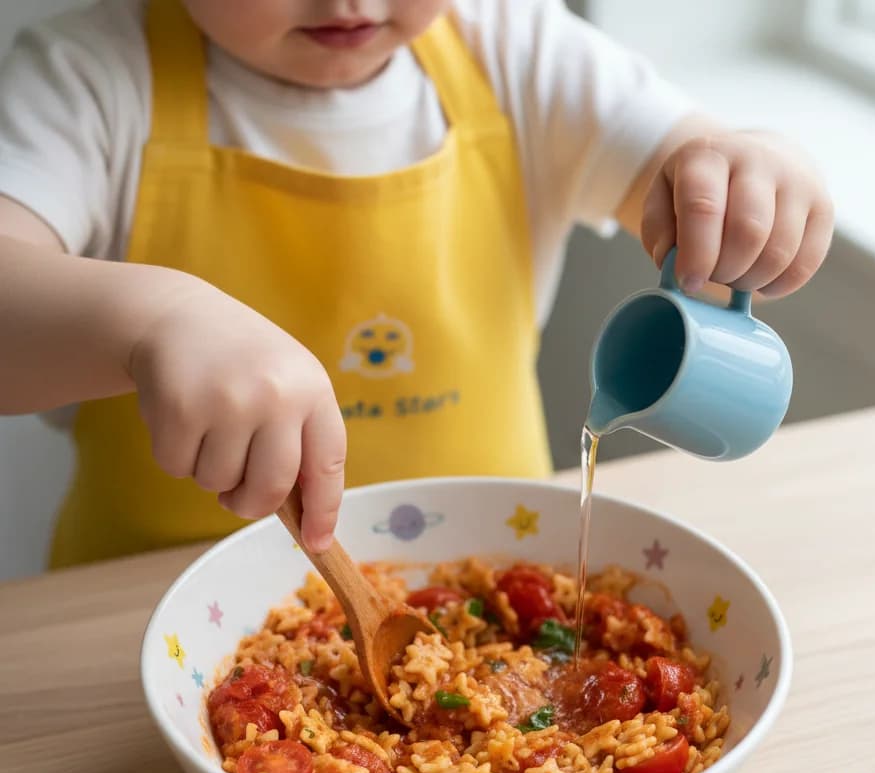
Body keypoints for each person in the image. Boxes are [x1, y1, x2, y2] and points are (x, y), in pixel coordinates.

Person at [0, 0, 833, 567]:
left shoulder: (520, 49)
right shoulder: (86, 81)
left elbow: (698, 191)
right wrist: (156, 320)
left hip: (496, 570)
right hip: (146, 605)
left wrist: (751, 169)